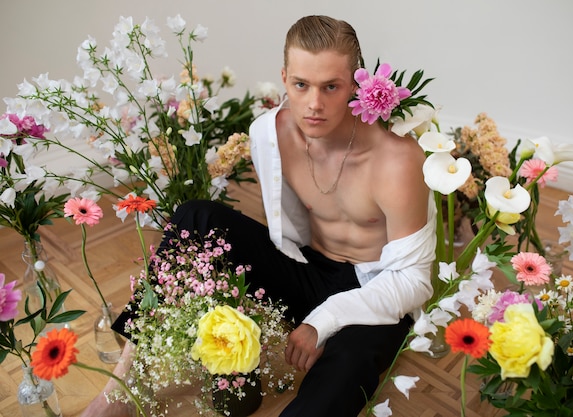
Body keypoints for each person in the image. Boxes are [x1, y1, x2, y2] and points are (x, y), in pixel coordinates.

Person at [88, 14, 436, 417]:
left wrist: (323, 321)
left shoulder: (397, 159)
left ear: (356, 84)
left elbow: (414, 283)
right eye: (301, 85)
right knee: (193, 217)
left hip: (374, 293)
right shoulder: (270, 134)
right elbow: (287, 232)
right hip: (308, 268)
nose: (314, 104)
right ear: (284, 77)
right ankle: (124, 387)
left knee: (347, 368)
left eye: (331, 87)